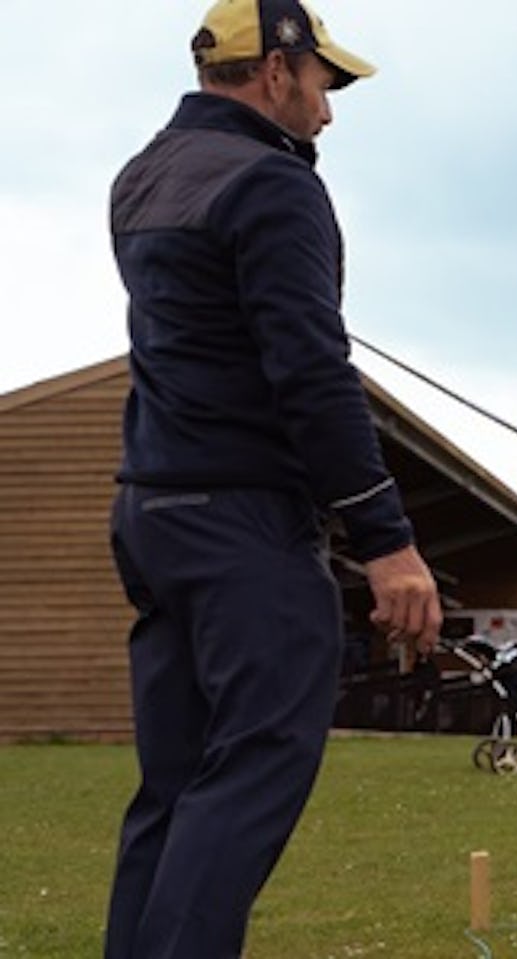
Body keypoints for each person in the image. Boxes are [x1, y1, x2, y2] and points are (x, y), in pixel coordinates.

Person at [104, 2, 442, 956]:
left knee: (172, 789)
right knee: (253, 771)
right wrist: (386, 539)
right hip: (243, 529)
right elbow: (310, 372)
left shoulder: (139, 178)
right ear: (278, 69)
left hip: (150, 514)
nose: (329, 112)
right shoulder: (275, 186)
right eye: (324, 85)